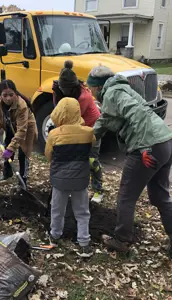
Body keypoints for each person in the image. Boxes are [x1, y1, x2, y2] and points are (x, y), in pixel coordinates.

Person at [90, 66, 172, 258]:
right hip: (167, 140)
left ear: (97, 87)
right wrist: (89, 135)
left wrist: (145, 147)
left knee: (126, 196)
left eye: (91, 89)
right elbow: (107, 121)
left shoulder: (112, 94)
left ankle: (121, 240)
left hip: (148, 147)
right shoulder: (123, 89)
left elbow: (131, 115)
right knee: (160, 196)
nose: (92, 93)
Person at [45, 97, 95, 258]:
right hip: (80, 180)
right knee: (82, 211)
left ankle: (55, 236)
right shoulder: (88, 133)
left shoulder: (54, 134)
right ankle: (84, 243)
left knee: (57, 209)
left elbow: (48, 155)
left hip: (59, 181)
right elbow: (92, 149)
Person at [52, 60, 103, 202]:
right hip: (78, 128)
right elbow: (59, 110)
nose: (62, 91)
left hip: (92, 128)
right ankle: (75, 186)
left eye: (64, 90)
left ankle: (98, 189)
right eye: (60, 89)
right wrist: (56, 94)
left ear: (71, 88)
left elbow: (68, 118)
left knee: (92, 160)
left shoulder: (83, 97)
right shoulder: (62, 91)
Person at [0, 80, 38, 186]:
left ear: (15, 93)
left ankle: (23, 180)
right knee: (8, 144)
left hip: (26, 128)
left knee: (23, 153)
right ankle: (7, 173)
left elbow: (21, 131)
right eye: (4, 95)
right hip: (10, 124)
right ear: (0, 95)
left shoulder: (21, 106)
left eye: (11, 95)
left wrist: (10, 149)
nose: (8, 98)